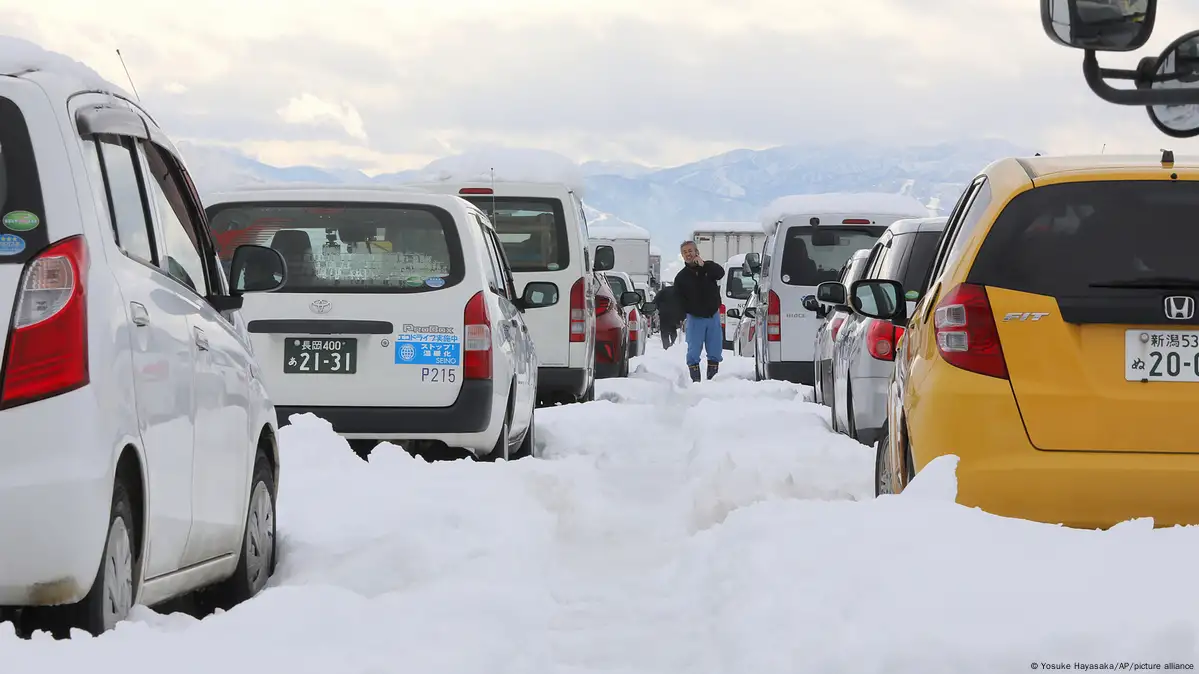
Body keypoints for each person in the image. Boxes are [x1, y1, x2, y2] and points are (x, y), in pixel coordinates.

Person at [673, 240, 725, 382]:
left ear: (697, 252)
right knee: (694, 351)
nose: (688, 254)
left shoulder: (708, 268)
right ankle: (696, 382)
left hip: (713, 315)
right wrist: (684, 313)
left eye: (690, 251)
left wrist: (705, 265)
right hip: (695, 318)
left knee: (715, 350)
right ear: (682, 256)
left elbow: (721, 273)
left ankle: (712, 380)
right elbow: (678, 299)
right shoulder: (681, 277)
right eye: (685, 252)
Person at [653, 283, 683, 349]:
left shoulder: (663, 291)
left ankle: (666, 346)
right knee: (673, 329)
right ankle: (673, 344)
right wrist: (682, 316)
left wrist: (659, 308)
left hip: (664, 314)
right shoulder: (679, 292)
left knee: (664, 331)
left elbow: (655, 301)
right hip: (676, 314)